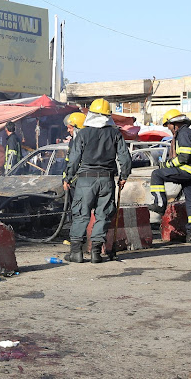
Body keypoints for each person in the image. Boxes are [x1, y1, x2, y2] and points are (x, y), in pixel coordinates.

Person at [63, 98, 132, 264]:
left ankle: (76, 253)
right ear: (108, 115)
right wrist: (123, 176)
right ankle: (95, 253)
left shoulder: (83, 134)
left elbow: (74, 159)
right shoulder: (115, 133)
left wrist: (68, 177)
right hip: (106, 181)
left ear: (91, 114)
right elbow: (125, 158)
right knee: (103, 215)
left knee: (81, 215)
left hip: (85, 181)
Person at [148, 109, 191, 244]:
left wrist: (167, 165)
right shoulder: (190, 133)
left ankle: (160, 204)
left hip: (187, 171)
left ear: (175, 123)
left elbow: (184, 157)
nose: (168, 129)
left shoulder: (183, 134)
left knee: (156, 174)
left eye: (168, 125)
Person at [62, 112, 86, 191]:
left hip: (82, 182)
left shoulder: (85, 142)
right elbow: (68, 161)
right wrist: (66, 178)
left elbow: (75, 161)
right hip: (73, 182)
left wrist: (68, 178)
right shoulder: (73, 141)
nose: (68, 130)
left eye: (70, 128)